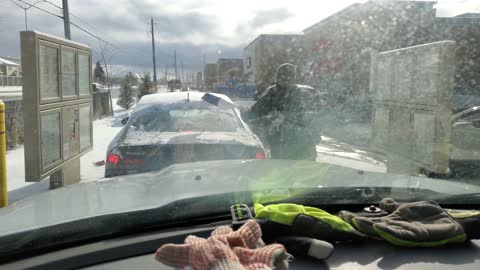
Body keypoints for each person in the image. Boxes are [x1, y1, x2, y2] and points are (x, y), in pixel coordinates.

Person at [249, 63, 319, 160]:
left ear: (277, 77)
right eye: (285, 76)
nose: (286, 79)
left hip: (283, 149)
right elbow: (314, 119)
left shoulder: (272, 94)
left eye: (288, 76)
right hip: (303, 149)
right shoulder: (304, 95)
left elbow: (254, 113)